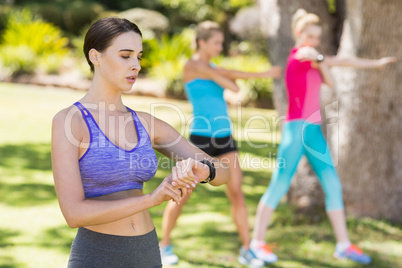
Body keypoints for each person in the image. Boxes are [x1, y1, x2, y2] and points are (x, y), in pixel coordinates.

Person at [51, 17, 231, 268]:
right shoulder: (70, 122)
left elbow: (224, 173)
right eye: (125, 56)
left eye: (139, 56)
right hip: (98, 255)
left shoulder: (145, 123)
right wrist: (152, 199)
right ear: (95, 56)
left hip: (146, 253)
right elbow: (74, 213)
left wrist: (206, 170)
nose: (135, 65)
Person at [249, 9, 397, 265]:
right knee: (279, 185)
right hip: (296, 131)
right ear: (299, 33)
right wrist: (320, 59)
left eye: (317, 37)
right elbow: (319, 63)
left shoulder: (315, 58)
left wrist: (376, 63)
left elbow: (341, 62)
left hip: (313, 132)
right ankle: (256, 244)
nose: (314, 41)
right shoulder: (300, 55)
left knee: (333, 186)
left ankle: (343, 244)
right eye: (310, 36)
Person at [159, 21, 281, 267]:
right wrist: (258, 75)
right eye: (216, 42)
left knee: (236, 193)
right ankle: (164, 246)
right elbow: (232, 83)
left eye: (221, 42)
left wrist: (255, 75)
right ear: (201, 42)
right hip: (200, 139)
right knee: (181, 193)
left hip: (225, 137)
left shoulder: (213, 67)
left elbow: (234, 80)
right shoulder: (192, 66)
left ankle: (247, 249)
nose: (220, 46)